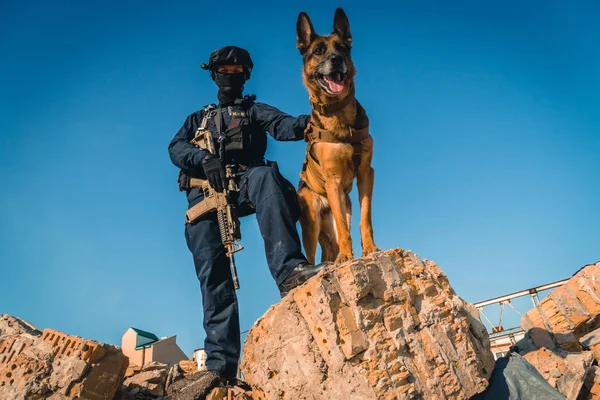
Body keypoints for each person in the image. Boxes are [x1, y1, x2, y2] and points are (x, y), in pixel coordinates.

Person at [168, 46, 328, 387]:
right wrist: (202, 159)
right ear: (214, 74)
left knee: (266, 177)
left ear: (246, 75)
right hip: (205, 200)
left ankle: (290, 271)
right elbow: (176, 149)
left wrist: (320, 118)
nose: (231, 74)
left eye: (238, 69)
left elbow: (286, 126)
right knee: (214, 278)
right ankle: (220, 367)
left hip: (244, 185)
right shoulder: (197, 120)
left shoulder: (253, 110)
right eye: (225, 69)